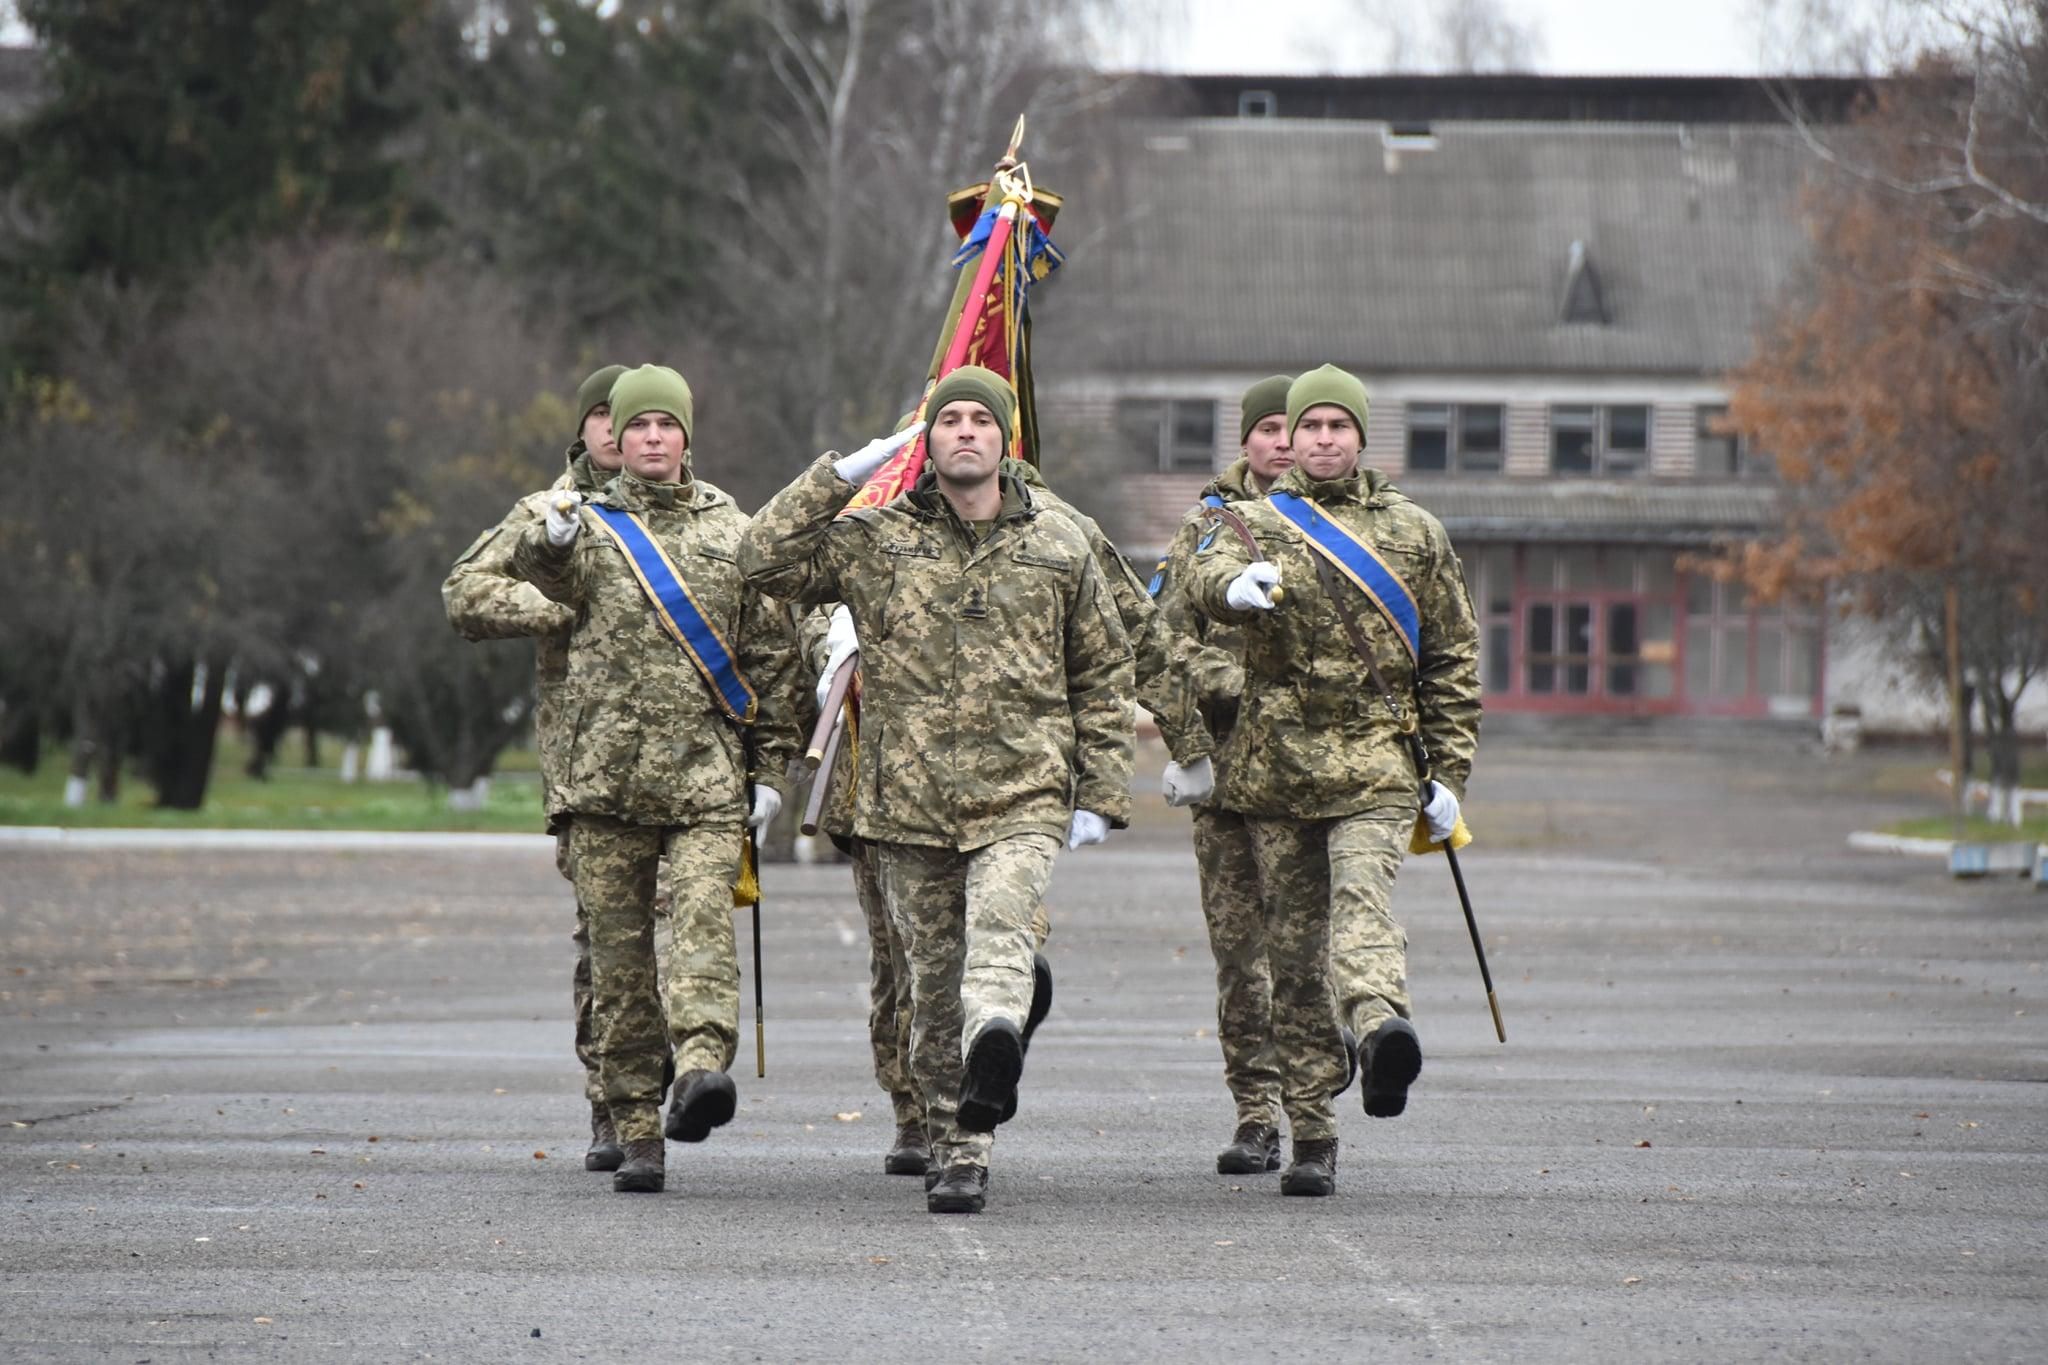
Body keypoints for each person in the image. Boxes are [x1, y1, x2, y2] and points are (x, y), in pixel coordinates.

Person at [740, 365, 1133, 1214]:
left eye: (979, 421)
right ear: (928, 441)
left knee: (1000, 935)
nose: (964, 431)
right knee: (928, 988)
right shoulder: (878, 540)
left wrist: (1100, 789)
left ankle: (990, 1072)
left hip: (1020, 793)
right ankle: (953, 1132)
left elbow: (1102, 673)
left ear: (1003, 441)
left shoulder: (1058, 545)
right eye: (947, 419)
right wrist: (841, 472)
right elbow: (760, 559)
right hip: (905, 805)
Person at [1185, 364, 1481, 1197]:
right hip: (1270, 779)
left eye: (1334, 427)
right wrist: (1230, 591)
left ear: (1360, 435)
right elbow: (1192, 585)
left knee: (1362, 903)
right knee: (1291, 958)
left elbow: (1452, 655)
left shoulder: (1414, 531)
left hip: (1375, 768)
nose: (1317, 441)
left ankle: (1383, 1029)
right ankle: (1311, 1127)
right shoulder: (1242, 523)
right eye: (1304, 427)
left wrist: (1448, 768)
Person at [513, 364, 800, 1194]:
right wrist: (552, 544)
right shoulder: (583, 524)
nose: (649, 438)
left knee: (704, 924)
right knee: (619, 965)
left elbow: (772, 658)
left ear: (685, 436)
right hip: (604, 789)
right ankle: (637, 1128)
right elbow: (530, 574)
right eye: (635, 426)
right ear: (616, 438)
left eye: (664, 425)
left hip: (705, 784)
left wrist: (771, 769)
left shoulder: (731, 531)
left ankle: (701, 1069)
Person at [443, 363, 655, 1173]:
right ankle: (609, 1095)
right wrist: (554, 604)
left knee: (678, 933)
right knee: (607, 936)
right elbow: (465, 590)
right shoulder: (549, 514)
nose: (616, 428)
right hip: (588, 762)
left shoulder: (692, 512)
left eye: (629, 415)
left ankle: (654, 1076)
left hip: (683, 763)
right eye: (601, 415)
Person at [1151, 372, 1341, 1176]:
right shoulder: (1208, 526)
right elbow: (1160, 642)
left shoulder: (1341, 525)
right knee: (1239, 953)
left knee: (1304, 950)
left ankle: (1316, 1106)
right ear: (1249, 441)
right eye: (1264, 428)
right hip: (1229, 771)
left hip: (1310, 771)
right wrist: (1194, 738)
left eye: (1287, 428)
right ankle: (1256, 1110)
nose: (1277, 441)